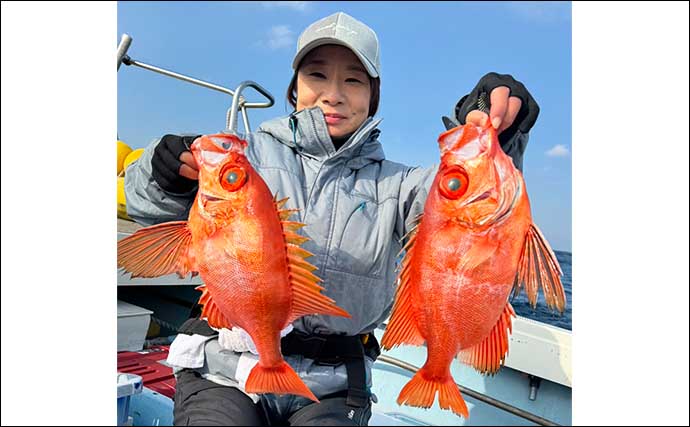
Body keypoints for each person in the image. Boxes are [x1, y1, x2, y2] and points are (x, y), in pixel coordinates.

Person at [124, 11, 540, 426]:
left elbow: (471, 207)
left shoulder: (401, 185)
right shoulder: (243, 159)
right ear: (294, 89)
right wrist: (164, 174)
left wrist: (500, 131)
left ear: (373, 98)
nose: (333, 94)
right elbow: (145, 206)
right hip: (224, 367)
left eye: (353, 81)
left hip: (335, 384)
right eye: (317, 76)